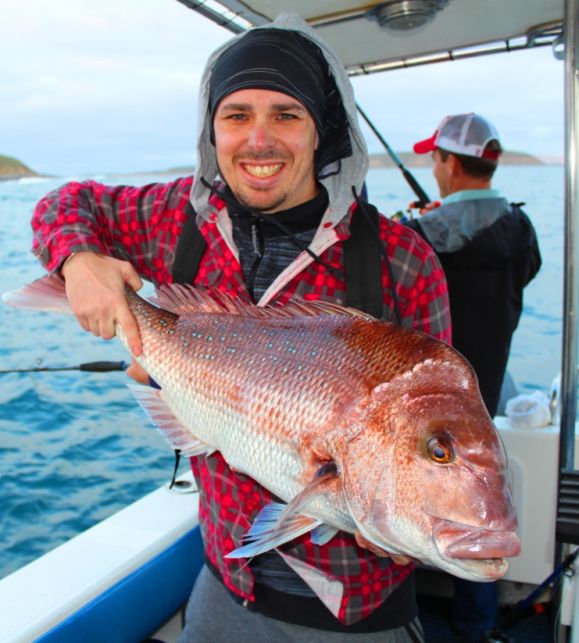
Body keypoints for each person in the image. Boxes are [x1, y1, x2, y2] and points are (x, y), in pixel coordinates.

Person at [31, 14, 451, 642]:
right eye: (236, 116)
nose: (259, 140)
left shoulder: (402, 260)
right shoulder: (179, 217)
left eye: (286, 114)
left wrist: (415, 526)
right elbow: (62, 204)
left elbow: (442, 425)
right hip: (226, 581)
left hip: (358, 614)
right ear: (212, 130)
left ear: (321, 131)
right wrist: (79, 262)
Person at [406, 113, 542, 642]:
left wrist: (425, 221)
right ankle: (476, 630)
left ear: (449, 163)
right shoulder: (522, 228)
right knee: (482, 513)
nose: (433, 167)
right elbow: (523, 270)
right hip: (487, 395)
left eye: (435, 159)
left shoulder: (422, 235)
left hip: (430, 409)